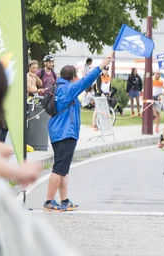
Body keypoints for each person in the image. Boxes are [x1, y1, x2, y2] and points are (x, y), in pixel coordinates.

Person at [44, 54, 112, 211]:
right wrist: (102, 66)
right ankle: (48, 201)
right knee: (59, 168)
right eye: (76, 76)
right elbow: (86, 81)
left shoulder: (60, 88)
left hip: (61, 132)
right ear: (73, 77)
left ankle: (64, 200)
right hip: (64, 133)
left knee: (64, 169)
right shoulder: (67, 89)